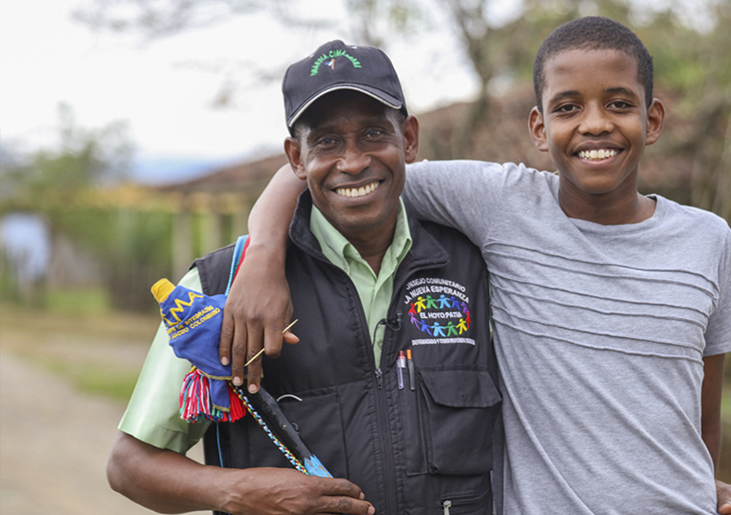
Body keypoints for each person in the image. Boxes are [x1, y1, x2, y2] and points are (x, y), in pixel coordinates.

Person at [229, 17, 731, 514]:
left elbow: (701, 416)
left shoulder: (707, 241)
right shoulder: (502, 205)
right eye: (568, 107)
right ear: (538, 125)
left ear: (653, 118)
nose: (595, 125)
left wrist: (705, 485)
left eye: (619, 104)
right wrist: (263, 257)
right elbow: (331, 172)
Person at [107, 40, 502, 515]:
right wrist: (239, 491)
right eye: (327, 142)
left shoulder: (478, 269)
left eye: (375, 133)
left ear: (410, 139)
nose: (353, 161)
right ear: (296, 158)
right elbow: (128, 466)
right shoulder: (219, 291)